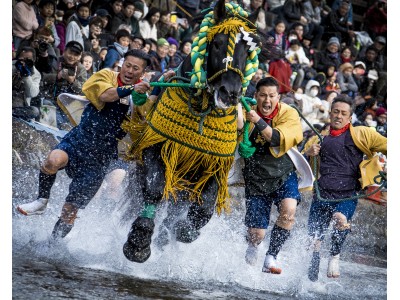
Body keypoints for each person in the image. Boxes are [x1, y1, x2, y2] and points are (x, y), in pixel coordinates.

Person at [16, 49, 153, 240]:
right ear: (122, 64)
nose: (129, 71)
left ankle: (53, 244)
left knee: (69, 211)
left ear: (143, 73)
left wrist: (144, 94)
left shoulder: (140, 96)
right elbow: (105, 96)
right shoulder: (106, 75)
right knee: (52, 161)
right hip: (80, 139)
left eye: (135, 69)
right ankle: (41, 200)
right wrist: (130, 89)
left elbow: (143, 117)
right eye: (127, 65)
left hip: (101, 156)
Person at [303, 95, 387, 281]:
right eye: (335, 112)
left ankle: (335, 256)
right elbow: (300, 165)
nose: (339, 116)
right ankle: (311, 283)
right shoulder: (319, 139)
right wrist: (309, 154)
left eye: (343, 113)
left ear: (350, 117)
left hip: (348, 194)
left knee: (340, 219)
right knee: (313, 241)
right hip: (322, 194)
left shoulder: (363, 134)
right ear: (330, 114)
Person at [238, 77, 305, 274]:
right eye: (263, 96)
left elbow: (275, 139)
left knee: (289, 211)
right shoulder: (245, 109)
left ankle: (271, 256)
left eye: (272, 96)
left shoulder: (289, 113)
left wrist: (257, 120)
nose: (267, 101)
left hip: (283, 171)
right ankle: (253, 246)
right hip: (255, 176)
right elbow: (237, 127)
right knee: (257, 234)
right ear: (255, 96)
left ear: (279, 97)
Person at [12, 46, 41, 121]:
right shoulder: (11, 65)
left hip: (19, 107)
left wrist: (26, 76)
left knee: (34, 111)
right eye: (23, 59)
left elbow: (32, 93)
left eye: (28, 60)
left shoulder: (36, 74)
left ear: (34, 60)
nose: (24, 63)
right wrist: (15, 69)